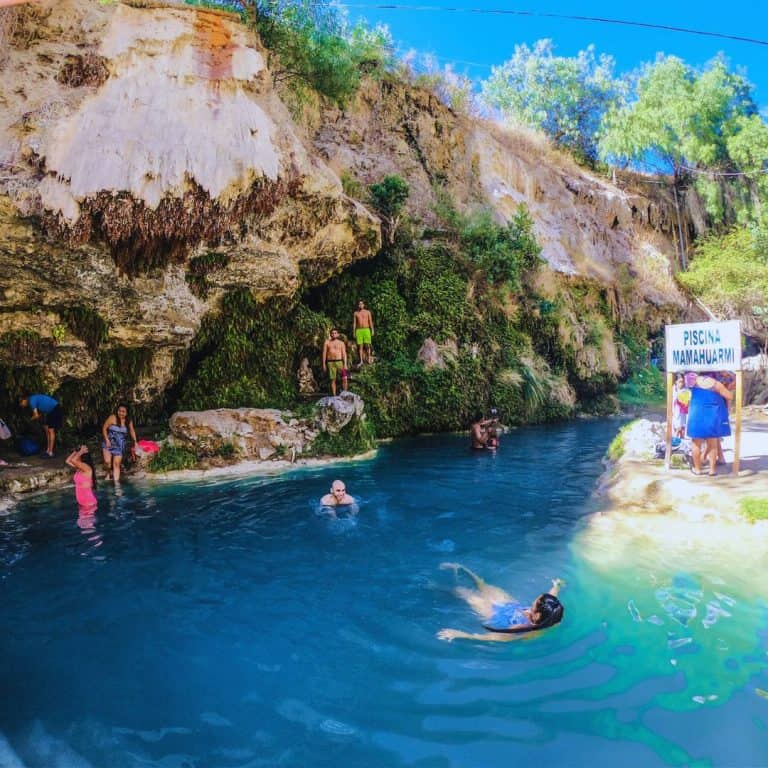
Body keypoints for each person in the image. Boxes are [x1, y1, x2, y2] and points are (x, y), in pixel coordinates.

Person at [437, 563, 565, 642]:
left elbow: (495, 638)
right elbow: (552, 597)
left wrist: (460, 635)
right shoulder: (549, 615)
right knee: (483, 585)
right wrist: (556, 586)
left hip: (494, 613)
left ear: (537, 615)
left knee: (463, 592)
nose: (535, 599)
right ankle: (459, 567)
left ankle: (436, 587)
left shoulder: (521, 628)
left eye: (536, 600)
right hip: (509, 605)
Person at [684, 372, 733, 476]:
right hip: (711, 416)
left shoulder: (692, 381)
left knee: (696, 443)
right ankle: (712, 470)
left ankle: (697, 469)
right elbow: (729, 396)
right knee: (713, 442)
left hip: (696, 415)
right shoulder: (716, 384)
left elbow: (684, 396)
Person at [101, 403, 138, 482]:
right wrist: (107, 440)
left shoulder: (128, 421)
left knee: (116, 464)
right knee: (108, 462)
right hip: (108, 443)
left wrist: (135, 442)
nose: (121, 413)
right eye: (119, 411)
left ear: (127, 413)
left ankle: (116, 484)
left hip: (119, 445)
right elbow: (104, 428)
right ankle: (108, 473)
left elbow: (132, 431)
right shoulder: (112, 417)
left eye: (123, 411)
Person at [19, 393, 63, 458]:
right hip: (49, 412)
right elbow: (39, 413)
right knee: (46, 429)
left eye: (21, 404)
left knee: (51, 430)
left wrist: (30, 419)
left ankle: (51, 453)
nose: (22, 406)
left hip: (55, 409)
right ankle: (48, 450)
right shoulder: (32, 399)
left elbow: (36, 415)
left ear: (24, 400)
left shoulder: (31, 401)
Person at [65, 444, 97, 511]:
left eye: (78, 454)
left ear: (81, 456)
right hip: (83, 503)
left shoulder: (86, 468)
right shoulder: (79, 468)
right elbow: (68, 461)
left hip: (88, 503)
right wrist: (75, 451)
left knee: (86, 521)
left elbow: (73, 460)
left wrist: (81, 451)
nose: (76, 456)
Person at [322, 328, 348, 396]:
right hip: (330, 362)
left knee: (344, 377)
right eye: (332, 333)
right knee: (333, 379)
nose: (334, 334)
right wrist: (324, 364)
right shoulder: (327, 342)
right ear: (330, 334)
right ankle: (334, 395)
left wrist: (345, 364)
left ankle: (345, 393)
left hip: (339, 362)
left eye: (335, 333)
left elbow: (344, 354)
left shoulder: (341, 343)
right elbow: (324, 353)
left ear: (338, 334)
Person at [352, 300, 374, 366]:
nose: (360, 305)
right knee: (360, 346)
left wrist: (372, 330)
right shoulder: (356, 313)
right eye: (359, 304)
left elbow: (370, 321)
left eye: (362, 304)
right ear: (358, 305)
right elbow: (354, 323)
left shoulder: (368, 312)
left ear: (364, 305)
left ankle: (369, 358)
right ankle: (361, 361)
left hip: (366, 330)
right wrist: (354, 332)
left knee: (367, 345)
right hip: (359, 330)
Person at [672, 375, 690, 439]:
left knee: (681, 427)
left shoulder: (686, 390)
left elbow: (688, 401)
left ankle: (681, 440)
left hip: (682, 411)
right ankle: (675, 441)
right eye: (680, 381)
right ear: (676, 382)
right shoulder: (672, 389)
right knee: (675, 427)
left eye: (683, 382)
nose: (682, 383)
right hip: (674, 411)